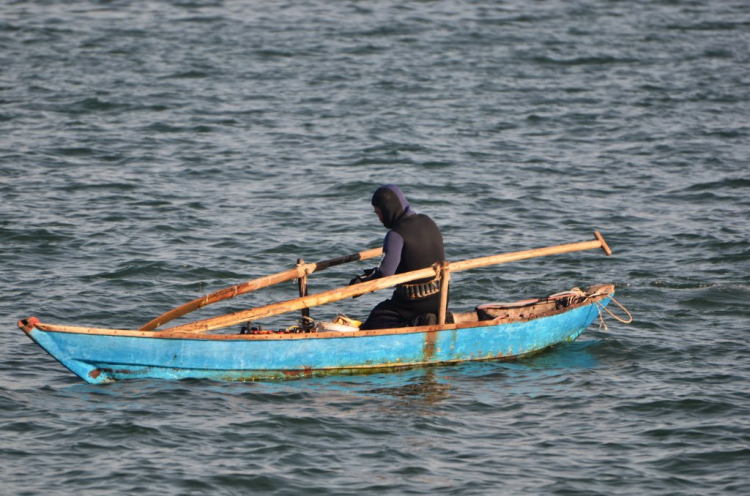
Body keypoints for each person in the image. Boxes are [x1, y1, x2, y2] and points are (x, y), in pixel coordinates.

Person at [350, 184, 447, 330]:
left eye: (378, 213)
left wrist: (363, 284)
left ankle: (419, 321)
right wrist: (372, 273)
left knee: (377, 317)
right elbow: (413, 260)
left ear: (388, 209)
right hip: (440, 300)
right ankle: (431, 318)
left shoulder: (395, 234)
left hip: (412, 305)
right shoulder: (428, 221)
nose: (380, 219)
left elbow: (385, 273)